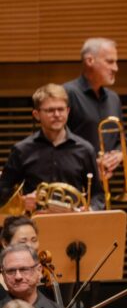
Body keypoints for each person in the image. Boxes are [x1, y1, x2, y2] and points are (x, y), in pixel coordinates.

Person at [0, 84, 104, 212]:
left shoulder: (85, 149)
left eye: (61, 109)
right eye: (50, 110)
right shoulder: (22, 150)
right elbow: (3, 190)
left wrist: (91, 208)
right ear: (36, 114)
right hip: (35, 225)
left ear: (68, 111)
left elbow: (98, 195)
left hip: (73, 224)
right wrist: (21, 202)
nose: (57, 114)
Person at [63, 38, 124, 179]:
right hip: (73, 182)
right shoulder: (66, 94)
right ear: (90, 61)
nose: (116, 68)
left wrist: (118, 154)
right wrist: (89, 163)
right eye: (110, 62)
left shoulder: (114, 98)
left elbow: (122, 140)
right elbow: (55, 142)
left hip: (104, 183)